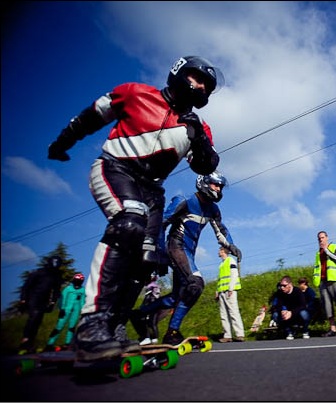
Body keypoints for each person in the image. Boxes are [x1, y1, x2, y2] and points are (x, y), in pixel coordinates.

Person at [47, 55, 225, 361]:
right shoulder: (135, 93)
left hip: (152, 190)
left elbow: (206, 166)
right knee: (129, 223)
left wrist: (199, 140)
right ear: (178, 73)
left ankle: (114, 326)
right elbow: (90, 116)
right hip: (114, 169)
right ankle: (91, 324)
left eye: (206, 86)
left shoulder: (198, 126)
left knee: (146, 261)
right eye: (196, 78)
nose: (199, 87)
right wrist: (62, 143)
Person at [131, 171, 242, 346]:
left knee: (178, 296)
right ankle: (172, 332)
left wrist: (231, 245)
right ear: (204, 183)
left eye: (220, 186)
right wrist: (157, 252)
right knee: (195, 284)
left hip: (189, 252)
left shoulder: (213, 209)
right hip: (176, 247)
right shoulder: (185, 200)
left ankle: (140, 314)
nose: (218, 189)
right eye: (215, 184)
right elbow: (161, 223)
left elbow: (221, 230)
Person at [18, 255, 65, 354]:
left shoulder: (56, 276)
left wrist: (52, 302)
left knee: (38, 320)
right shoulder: (39, 273)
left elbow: (56, 290)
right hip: (33, 298)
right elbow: (26, 286)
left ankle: (30, 343)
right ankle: (25, 339)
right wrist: (23, 299)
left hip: (44, 300)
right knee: (34, 317)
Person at [44, 272, 86, 352]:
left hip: (76, 311)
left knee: (72, 327)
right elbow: (62, 299)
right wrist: (62, 308)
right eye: (76, 280)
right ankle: (50, 343)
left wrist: (82, 311)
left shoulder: (82, 290)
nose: (77, 282)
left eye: (79, 281)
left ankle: (68, 344)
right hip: (66, 310)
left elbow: (82, 301)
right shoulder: (68, 289)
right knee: (59, 327)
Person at [215, 246, 245, 343]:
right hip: (222, 292)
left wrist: (231, 288)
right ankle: (227, 335)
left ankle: (239, 334)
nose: (218, 252)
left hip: (229, 291)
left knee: (233, 312)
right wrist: (217, 291)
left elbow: (234, 274)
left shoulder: (230, 260)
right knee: (223, 314)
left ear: (223, 251)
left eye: (220, 250)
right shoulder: (221, 264)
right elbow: (220, 279)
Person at [273, 276, 311, 340]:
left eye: (284, 286)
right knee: (275, 315)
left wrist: (291, 312)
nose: (282, 288)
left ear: (290, 285)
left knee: (304, 313)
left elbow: (303, 305)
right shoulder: (280, 293)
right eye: (281, 285)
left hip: (297, 313)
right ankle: (289, 332)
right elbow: (277, 306)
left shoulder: (297, 291)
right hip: (286, 313)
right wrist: (282, 311)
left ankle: (305, 331)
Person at [138, 275, 162, 345]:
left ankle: (154, 338)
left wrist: (143, 306)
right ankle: (153, 337)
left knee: (152, 322)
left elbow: (148, 297)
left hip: (152, 305)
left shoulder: (152, 286)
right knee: (150, 322)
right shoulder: (154, 286)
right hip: (154, 304)